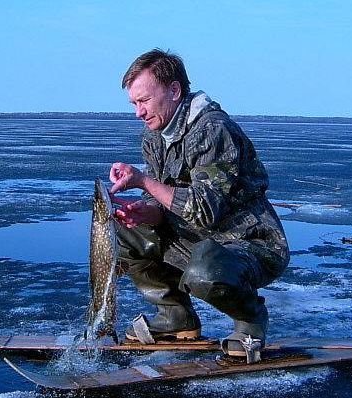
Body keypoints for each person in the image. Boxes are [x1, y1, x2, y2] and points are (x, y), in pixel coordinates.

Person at [109, 49, 289, 357]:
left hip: (250, 245)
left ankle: (250, 320)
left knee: (206, 268)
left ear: (174, 90)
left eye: (144, 101)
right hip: (194, 238)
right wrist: (145, 212)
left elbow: (204, 210)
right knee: (122, 233)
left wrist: (143, 181)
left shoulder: (213, 130)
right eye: (134, 104)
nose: (138, 112)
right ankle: (176, 316)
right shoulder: (154, 137)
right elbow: (163, 203)